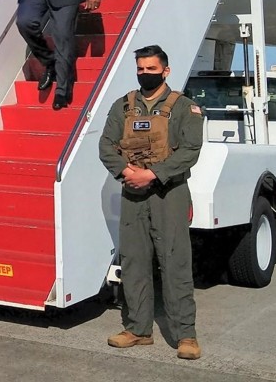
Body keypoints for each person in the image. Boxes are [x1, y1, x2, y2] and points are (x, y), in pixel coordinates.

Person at [98, 45, 204, 360]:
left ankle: (186, 335)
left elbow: (190, 150)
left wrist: (153, 175)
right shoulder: (124, 106)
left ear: (165, 71)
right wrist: (127, 171)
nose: (145, 74)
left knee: (175, 262)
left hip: (168, 194)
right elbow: (106, 144)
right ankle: (138, 330)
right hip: (133, 193)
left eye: (151, 69)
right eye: (141, 69)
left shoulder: (184, 107)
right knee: (133, 261)